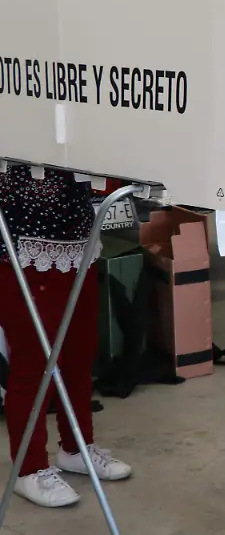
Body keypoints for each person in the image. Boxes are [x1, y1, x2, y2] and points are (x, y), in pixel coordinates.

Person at [0, 166, 132, 508]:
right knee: (33, 362)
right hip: (21, 242)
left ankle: (76, 447)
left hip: (77, 237)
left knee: (79, 353)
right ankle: (29, 468)